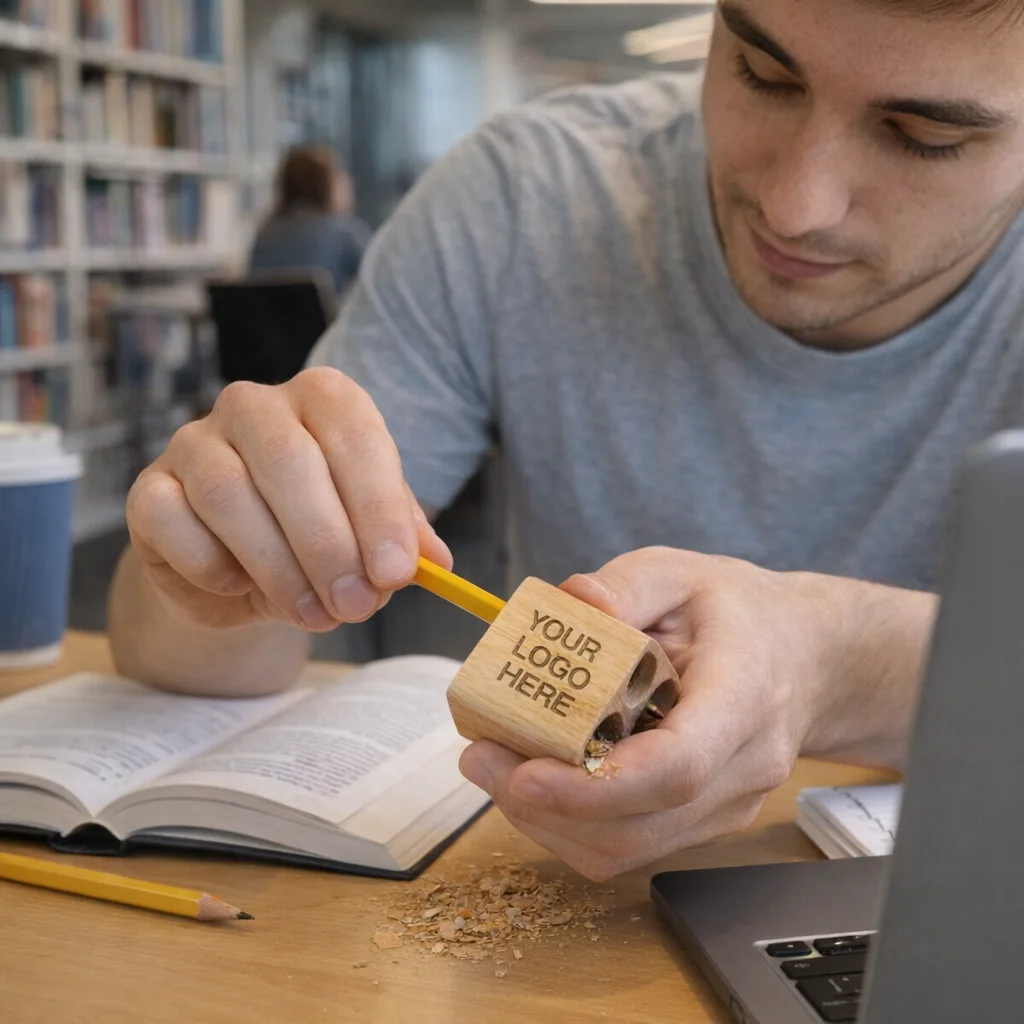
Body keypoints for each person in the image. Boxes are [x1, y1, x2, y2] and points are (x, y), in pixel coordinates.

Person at [111, 0, 1024, 880]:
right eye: (761, 70)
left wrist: (833, 660)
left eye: (924, 136)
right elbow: (187, 648)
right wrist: (215, 567)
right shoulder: (523, 199)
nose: (796, 206)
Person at [249, 145, 371, 298]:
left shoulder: (266, 232)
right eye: (338, 176)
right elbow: (377, 286)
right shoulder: (342, 231)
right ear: (325, 184)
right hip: (327, 321)